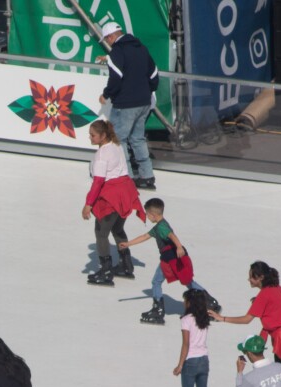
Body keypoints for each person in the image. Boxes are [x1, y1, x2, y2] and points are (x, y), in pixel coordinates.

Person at [118, 197, 220, 325]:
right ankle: (210, 302)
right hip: (173, 258)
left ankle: (158, 310)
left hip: (170, 259)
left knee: (157, 281)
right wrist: (128, 244)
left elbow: (172, 235)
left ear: (153, 215)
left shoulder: (162, 227)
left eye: (147, 214)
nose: (147, 217)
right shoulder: (159, 226)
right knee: (187, 281)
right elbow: (145, 236)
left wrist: (178, 246)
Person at [97, 20, 159, 190]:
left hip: (125, 104)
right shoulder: (141, 48)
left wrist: (106, 94)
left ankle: (127, 177)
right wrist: (147, 92)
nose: (107, 43)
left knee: (119, 139)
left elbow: (115, 79)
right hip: (144, 102)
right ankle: (147, 176)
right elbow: (154, 75)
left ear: (111, 36)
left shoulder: (117, 51)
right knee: (138, 138)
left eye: (106, 39)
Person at [83, 120, 145, 286]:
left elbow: (98, 182)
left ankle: (106, 271)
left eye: (93, 135)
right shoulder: (116, 145)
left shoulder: (102, 154)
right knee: (117, 229)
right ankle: (126, 265)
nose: (90, 137)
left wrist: (88, 204)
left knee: (101, 233)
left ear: (103, 136)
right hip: (126, 191)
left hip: (112, 196)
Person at [171, 289, 218, 387]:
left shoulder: (186, 319)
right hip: (204, 360)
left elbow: (186, 344)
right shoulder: (203, 318)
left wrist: (179, 365)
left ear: (189, 303)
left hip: (190, 361)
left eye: (185, 300)